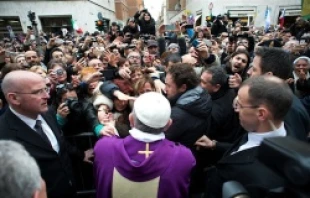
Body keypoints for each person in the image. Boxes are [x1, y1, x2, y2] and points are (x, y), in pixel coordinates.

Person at [198, 76, 294, 198]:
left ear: (261, 114)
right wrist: (215, 145)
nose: (236, 110)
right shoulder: (269, 128)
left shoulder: (261, 181)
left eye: (240, 105)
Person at [94, 92, 195, 198]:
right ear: (168, 124)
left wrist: (109, 126)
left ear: (131, 120)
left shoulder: (104, 148)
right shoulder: (183, 157)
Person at [0, 70, 81, 198]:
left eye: (45, 89)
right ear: (14, 98)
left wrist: (81, 155)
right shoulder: (4, 135)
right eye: (38, 92)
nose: (47, 96)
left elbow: (59, 143)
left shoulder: (48, 113)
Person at [247, 47, 310, 141]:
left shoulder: (288, 111)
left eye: (254, 69)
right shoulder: (272, 99)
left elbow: (289, 150)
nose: (249, 72)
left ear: (268, 76)